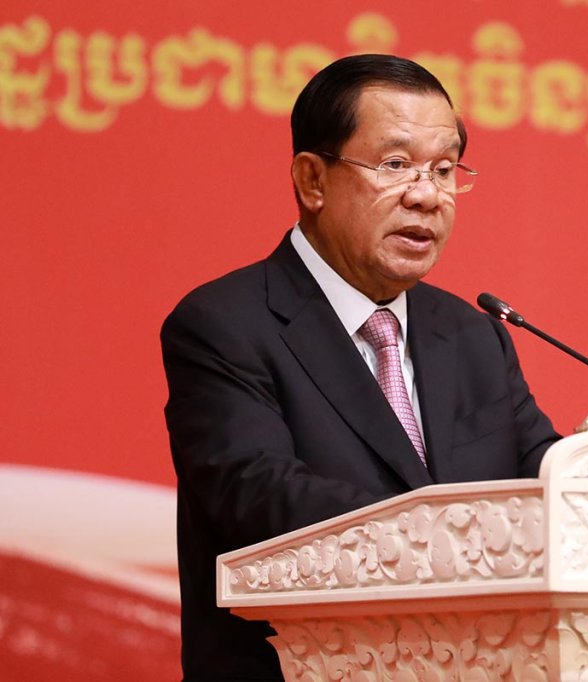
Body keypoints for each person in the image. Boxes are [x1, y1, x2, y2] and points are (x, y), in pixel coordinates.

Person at [160, 54, 560, 681]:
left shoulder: (473, 335)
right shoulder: (227, 324)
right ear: (313, 180)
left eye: (445, 169)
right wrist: (461, 534)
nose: (427, 196)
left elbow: (542, 471)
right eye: (395, 165)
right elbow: (260, 495)